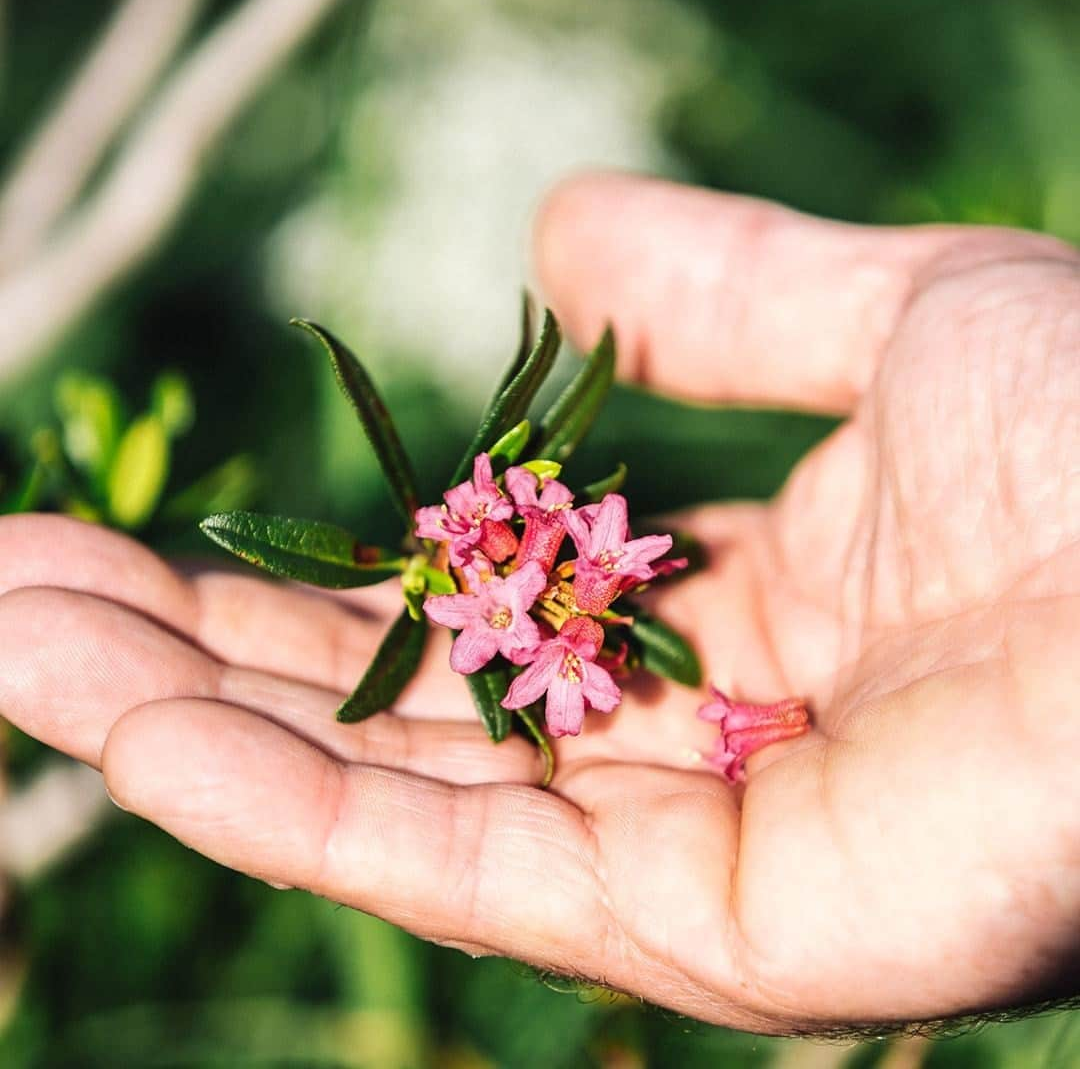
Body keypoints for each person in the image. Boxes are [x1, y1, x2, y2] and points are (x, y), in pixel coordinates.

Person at [0, 173, 1077, 1034]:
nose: (541, 628)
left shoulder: (546, 621)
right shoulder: (513, 608)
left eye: (558, 628)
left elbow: (551, 611)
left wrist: (552, 603)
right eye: (541, 626)